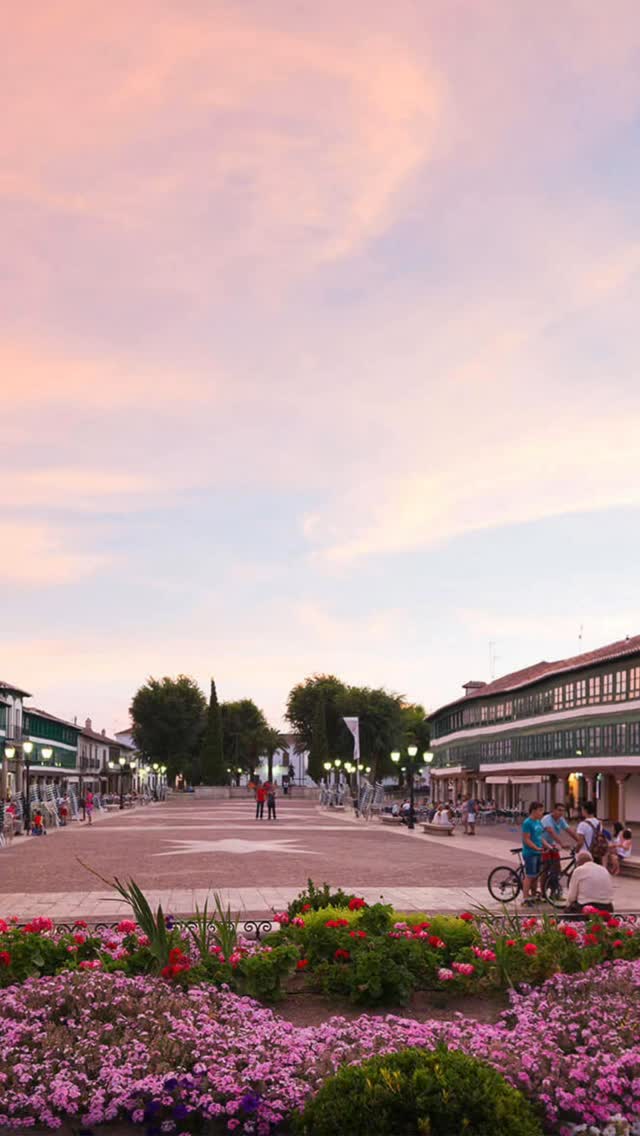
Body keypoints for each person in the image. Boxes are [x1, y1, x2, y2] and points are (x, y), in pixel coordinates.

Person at [521, 801, 553, 905]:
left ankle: (534, 895)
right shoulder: (527, 823)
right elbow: (526, 839)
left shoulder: (538, 822)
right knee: (529, 875)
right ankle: (525, 897)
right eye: (540, 810)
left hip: (538, 852)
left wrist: (549, 846)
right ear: (534, 811)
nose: (542, 813)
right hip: (530, 852)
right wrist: (536, 848)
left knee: (535, 875)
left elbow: (540, 838)